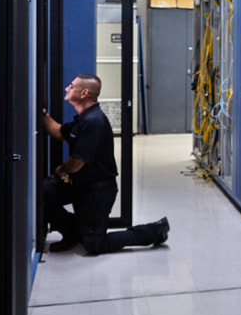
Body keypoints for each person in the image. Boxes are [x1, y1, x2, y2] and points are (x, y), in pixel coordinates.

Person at [41, 74, 170, 254]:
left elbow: (77, 163)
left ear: (84, 93)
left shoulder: (94, 121)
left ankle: (154, 231)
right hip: (79, 185)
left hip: (97, 191)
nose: (67, 88)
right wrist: (41, 113)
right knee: (41, 194)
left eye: (71, 86)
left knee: (95, 245)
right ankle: (73, 233)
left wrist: (61, 170)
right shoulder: (83, 119)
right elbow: (58, 131)